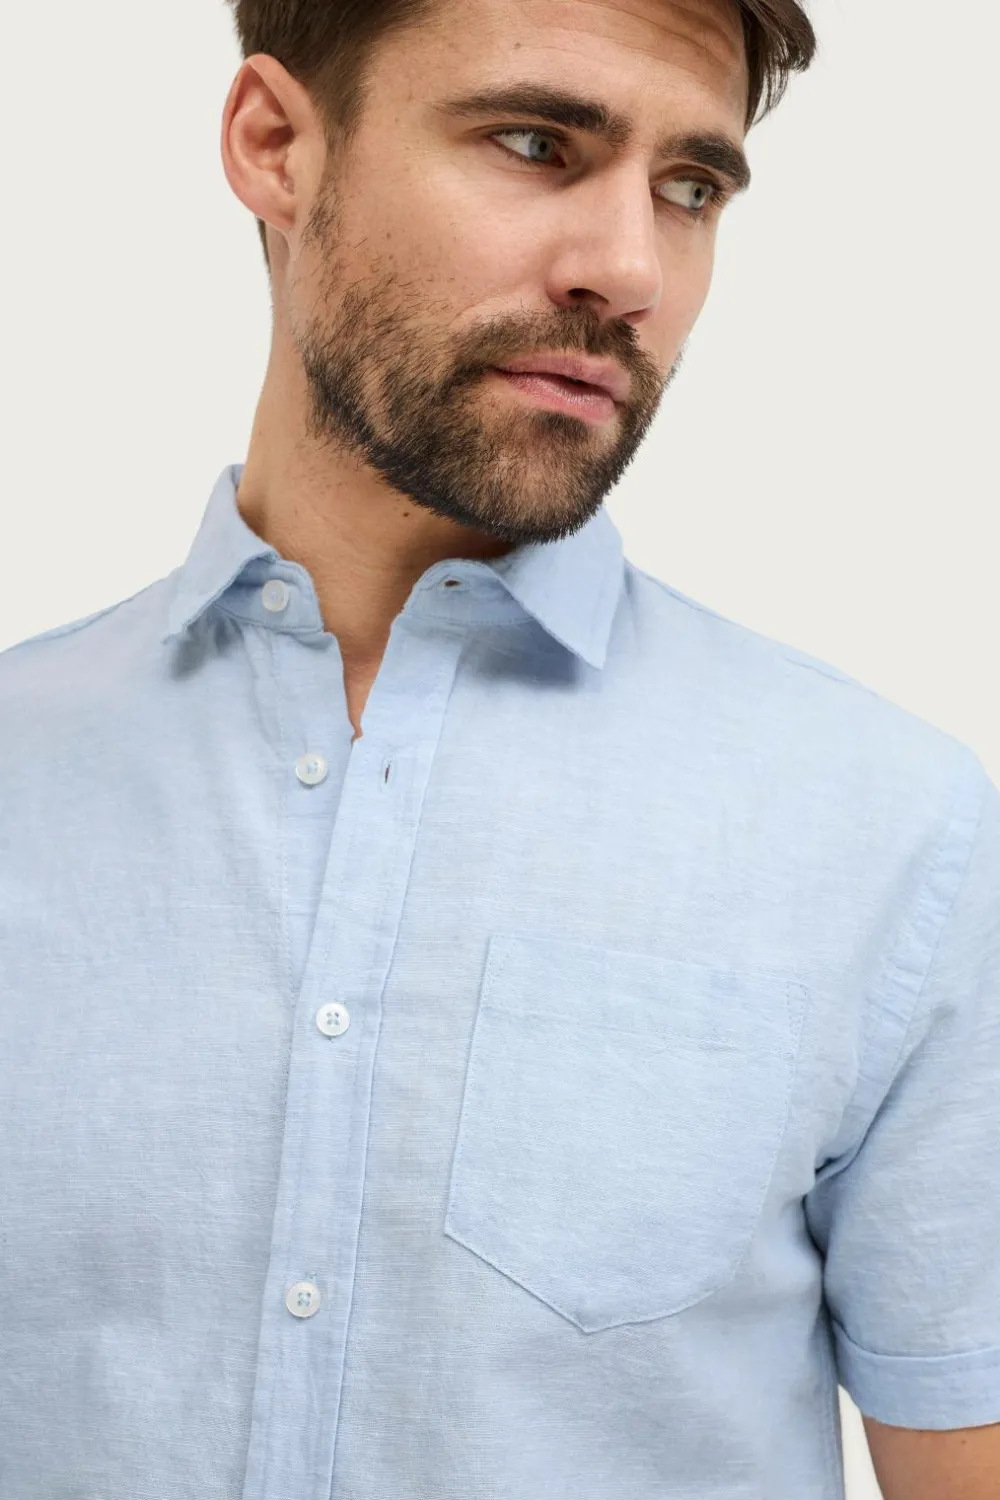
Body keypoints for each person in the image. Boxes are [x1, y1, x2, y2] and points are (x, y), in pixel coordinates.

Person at [1, 0, 998, 1495]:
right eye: (536, 144)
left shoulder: (892, 834)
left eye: (691, 187)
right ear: (275, 144)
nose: (630, 271)